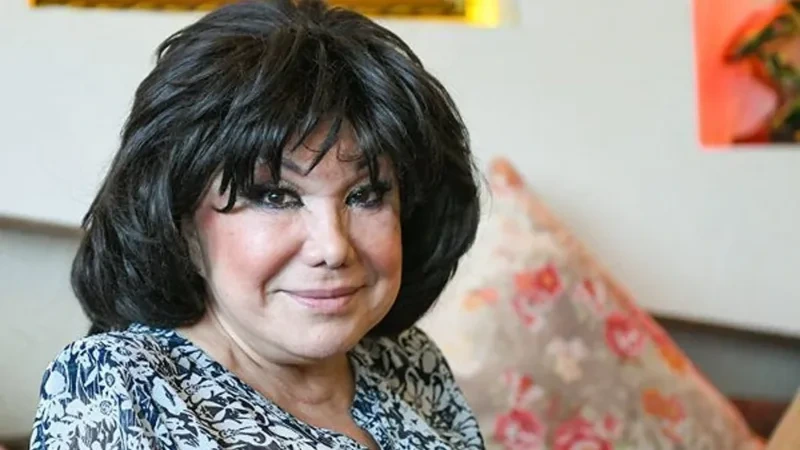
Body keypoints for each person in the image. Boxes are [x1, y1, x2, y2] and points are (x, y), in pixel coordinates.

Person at [30, 0, 484, 448]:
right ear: (180, 220)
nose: (333, 247)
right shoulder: (116, 385)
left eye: (364, 196)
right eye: (275, 197)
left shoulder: (408, 359)